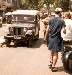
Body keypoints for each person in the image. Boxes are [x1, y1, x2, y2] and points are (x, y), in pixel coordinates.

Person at [45, 8, 66, 72]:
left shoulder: (50, 20)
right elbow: (64, 31)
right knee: (55, 53)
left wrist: (45, 37)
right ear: (60, 13)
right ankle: (53, 67)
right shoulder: (62, 20)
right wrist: (64, 31)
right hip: (57, 38)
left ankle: (51, 62)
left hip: (50, 38)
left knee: (51, 51)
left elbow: (47, 30)